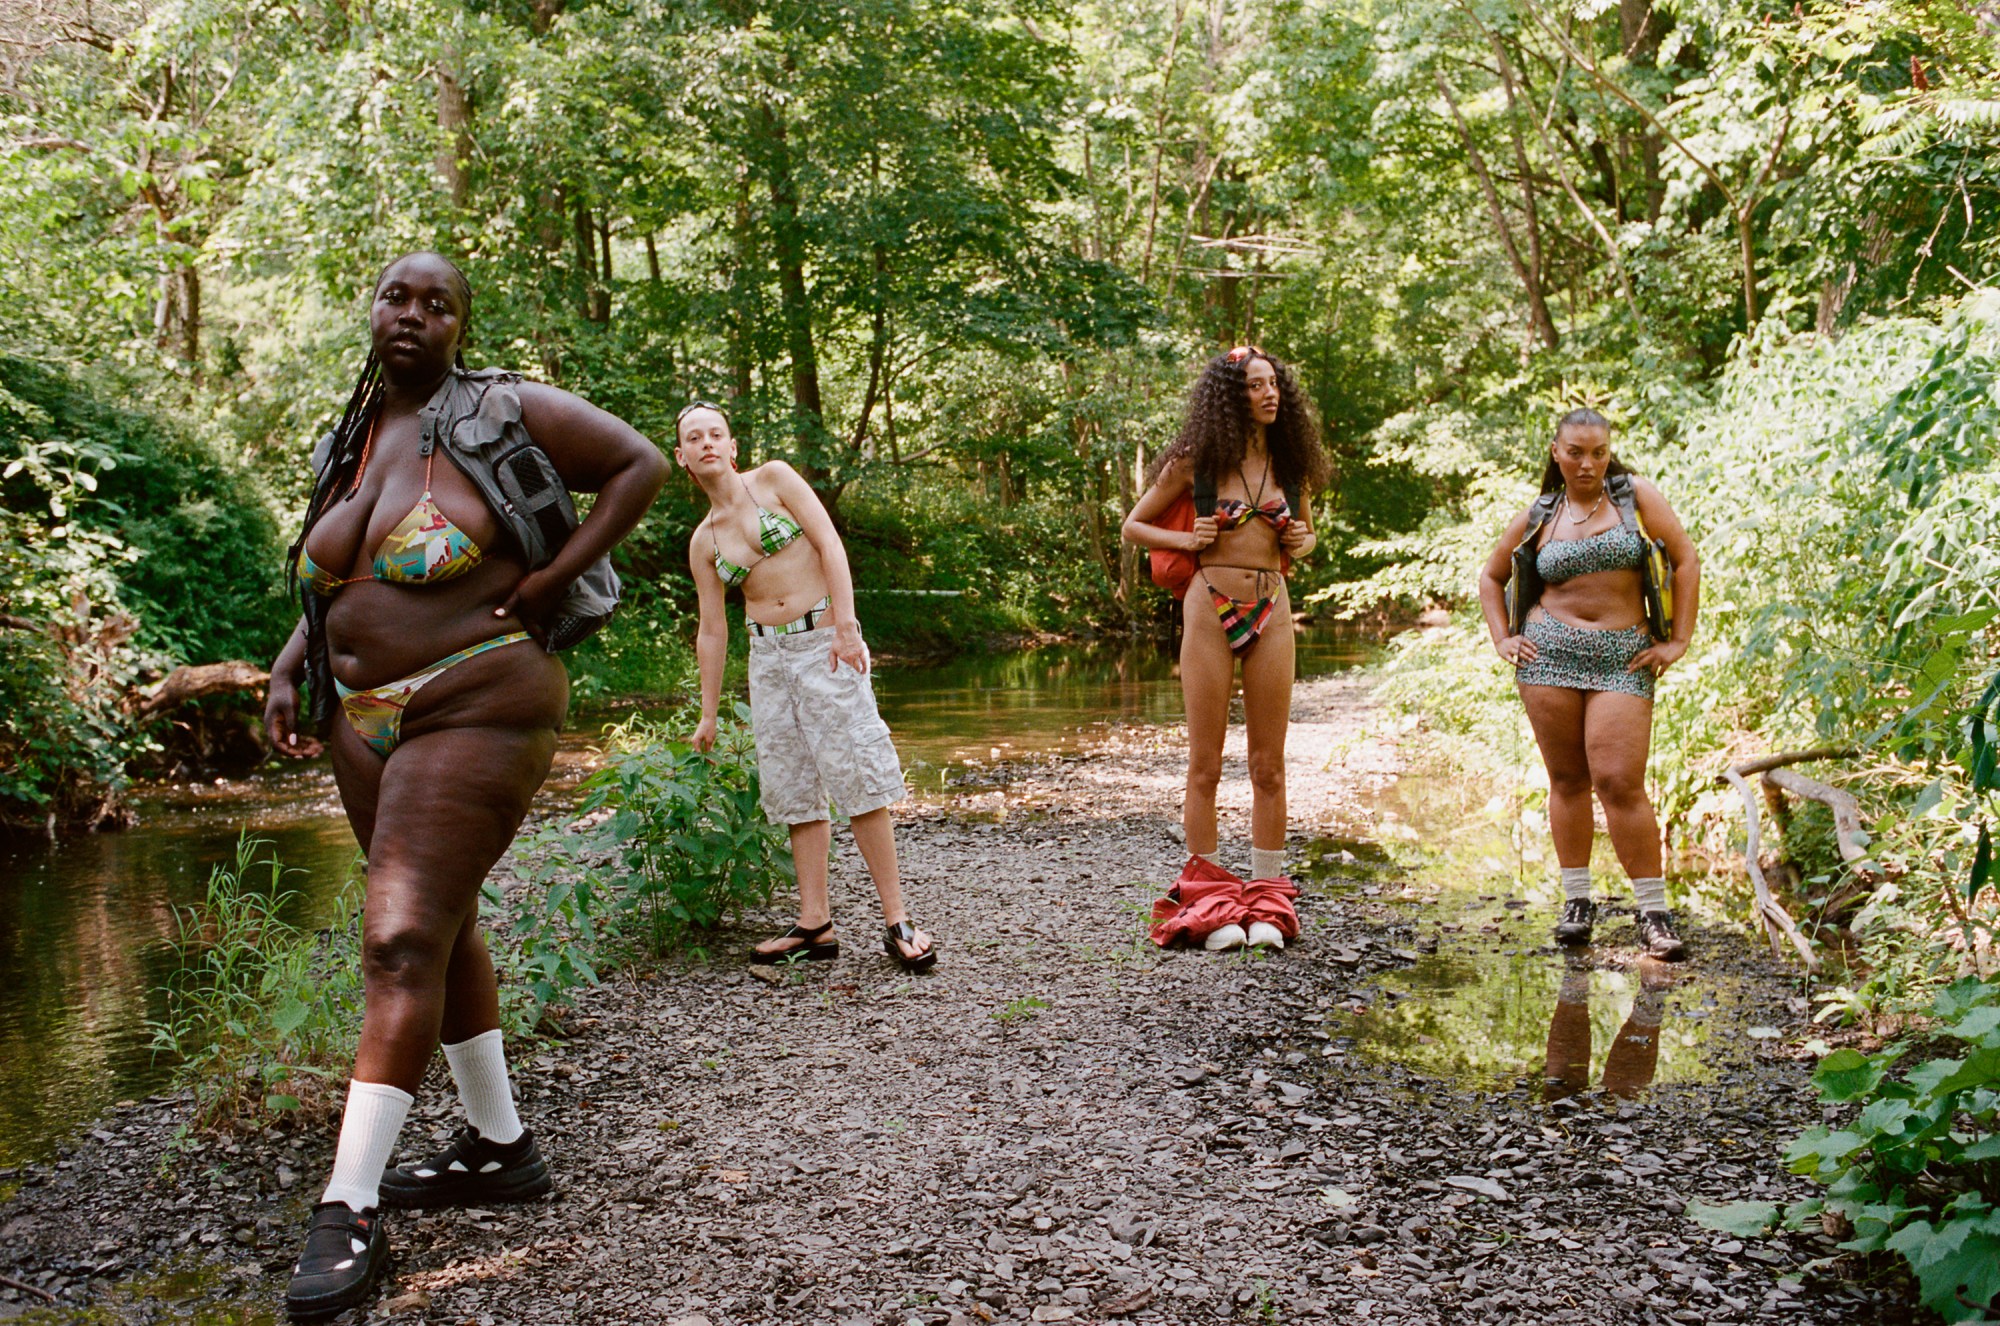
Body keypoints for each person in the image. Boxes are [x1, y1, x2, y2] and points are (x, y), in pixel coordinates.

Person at [263, 251, 668, 1320]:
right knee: (441, 929)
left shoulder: (501, 411)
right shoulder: (347, 439)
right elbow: (336, 579)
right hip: (359, 718)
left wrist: (541, 581)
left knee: (399, 938)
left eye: (438, 304)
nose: (414, 314)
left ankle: (347, 1208)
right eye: (397, 295)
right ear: (372, 307)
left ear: (459, 326)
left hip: (478, 697)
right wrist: (292, 660)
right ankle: (499, 1148)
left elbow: (639, 464)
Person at [674, 401, 936, 973]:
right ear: (683, 457)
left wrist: (847, 625)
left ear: (733, 444)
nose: (707, 443)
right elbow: (712, 630)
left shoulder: (774, 479)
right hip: (768, 660)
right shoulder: (704, 541)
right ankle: (815, 922)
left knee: (858, 775)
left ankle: (897, 919)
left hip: (824, 644)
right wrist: (709, 713)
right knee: (794, 787)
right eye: (695, 438)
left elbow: (829, 544)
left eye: (717, 432)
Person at [1122, 346, 1329, 950]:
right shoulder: (1196, 463)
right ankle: (1210, 900)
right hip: (1208, 602)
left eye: (1275, 386)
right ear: (1230, 397)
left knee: (1269, 764)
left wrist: (1301, 536)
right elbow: (1134, 526)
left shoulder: (1290, 465)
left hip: (1273, 605)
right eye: (1257, 387)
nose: (1271, 395)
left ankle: (1266, 900)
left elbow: (1309, 537)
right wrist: (1188, 536)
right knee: (1205, 765)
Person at [1478, 408, 1700, 959]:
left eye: (1597, 452)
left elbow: (1685, 559)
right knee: (1568, 779)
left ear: (1609, 451)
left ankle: (1653, 912)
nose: (1587, 463)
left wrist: (1678, 641)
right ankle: (1578, 903)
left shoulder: (1635, 497)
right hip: (1548, 654)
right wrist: (1503, 637)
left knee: (1619, 780)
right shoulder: (1541, 512)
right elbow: (1492, 574)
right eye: (1575, 452)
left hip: (1623, 657)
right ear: (1556, 451)